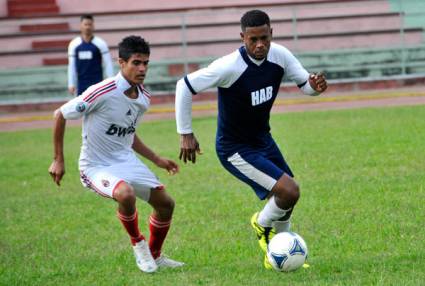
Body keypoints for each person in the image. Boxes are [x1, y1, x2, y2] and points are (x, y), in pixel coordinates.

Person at [175, 10, 327, 269]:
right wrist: (185, 133)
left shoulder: (280, 55)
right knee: (289, 190)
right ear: (242, 37)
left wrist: (316, 87)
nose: (260, 45)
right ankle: (261, 224)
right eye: (253, 39)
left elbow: (306, 85)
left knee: (287, 198)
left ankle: (276, 257)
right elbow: (184, 86)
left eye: (264, 38)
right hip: (234, 148)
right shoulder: (228, 66)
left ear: (272, 34)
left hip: (262, 140)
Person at [49, 35, 184, 273]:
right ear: (121, 63)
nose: (142, 69)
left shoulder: (143, 97)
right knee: (125, 194)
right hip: (95, 165)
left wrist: (157, 159)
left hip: (125, 160)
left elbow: (128, 134)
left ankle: (155, 255)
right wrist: (58, 159)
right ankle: (138, 244)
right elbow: (60, 114)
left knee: (166, 204)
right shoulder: (101, 92)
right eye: (136, 63)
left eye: (146, 63)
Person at [68, 14, 114, 96]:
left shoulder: (101, 43)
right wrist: (71, 83)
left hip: (97, 84)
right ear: (81, 26)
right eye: (85, 24)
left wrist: (111, 82)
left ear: (93, 26)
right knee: (81, 108)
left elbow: (108, 63)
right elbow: (71, 66)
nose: (87, 27)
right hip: (81, 84)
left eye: (90, 24)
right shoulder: (74, 44)